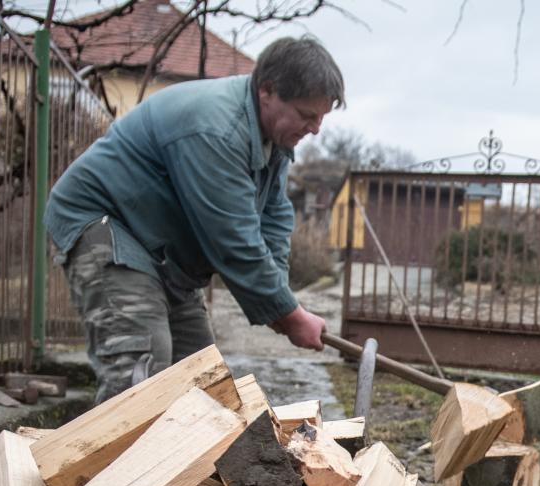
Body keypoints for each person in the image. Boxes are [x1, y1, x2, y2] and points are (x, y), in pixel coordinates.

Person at [44, 36, 342, 402]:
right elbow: (233, 242)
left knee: (203, 380)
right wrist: (291, 317)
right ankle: (121, 458)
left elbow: (274, 218)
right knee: (142, 371)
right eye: (307, 116)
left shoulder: (274, 141)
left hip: (162, 250)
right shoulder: (217, 129)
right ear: (268, 90)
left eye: (320, 118)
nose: (315, 129)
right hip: (106, 225)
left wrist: (281, 300)